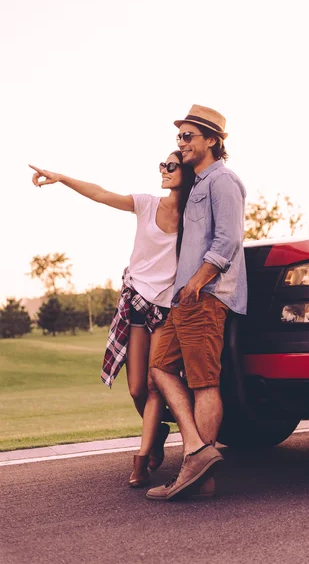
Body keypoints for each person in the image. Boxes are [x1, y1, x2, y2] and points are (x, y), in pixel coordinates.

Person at [29, 151, 195, 487]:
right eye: (162, 164)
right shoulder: (147, 204)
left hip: (165, 312)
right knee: (136, 388)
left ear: (186, 173)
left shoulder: (194, 218)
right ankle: (159, 432)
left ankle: (140, 459)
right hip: (136, 303)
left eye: (171, 165)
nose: (163, 169)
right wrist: (62, 178)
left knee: (153, 384)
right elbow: (102, 194)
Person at [146, 105, 247, 501]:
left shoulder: (223, 181)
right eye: (179, 138)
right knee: (160, 368)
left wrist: (196, 285)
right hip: (184, 300)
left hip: (204, 297)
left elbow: (227, 241)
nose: (182, 143)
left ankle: (200, 477)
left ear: (212, 141)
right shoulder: (199, 183)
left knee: (205, 382)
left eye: (189, 136)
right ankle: (197, 452)